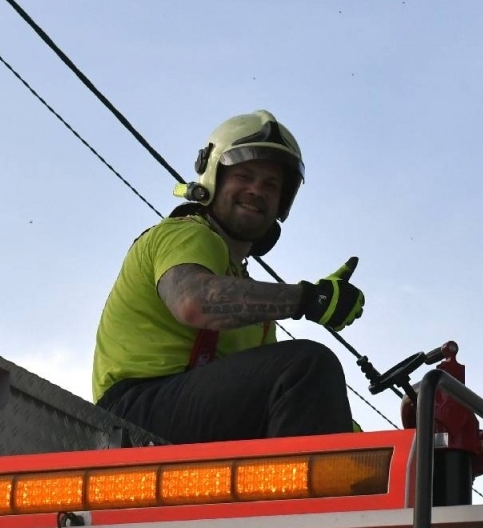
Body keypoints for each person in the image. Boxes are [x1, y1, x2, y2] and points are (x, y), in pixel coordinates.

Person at [91, 110, 365, 444]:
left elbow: (282, 398)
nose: (256, 190)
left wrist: (372, 444)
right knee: (308, 366)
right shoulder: (186, 234)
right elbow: (195, 302)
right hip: (133, 414)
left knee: (316, 388)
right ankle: (300, 497)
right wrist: (308, 298)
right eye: (244, 176)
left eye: (271, 185)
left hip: (195, 415)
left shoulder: (254, 310)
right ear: (213, 179)